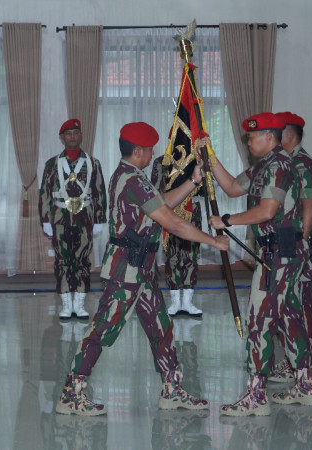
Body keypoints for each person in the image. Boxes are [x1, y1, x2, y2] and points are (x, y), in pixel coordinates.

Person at [55, 122, 230, 416]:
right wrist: (212, 240)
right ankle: (71, 393)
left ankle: (172, 390)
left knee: (161, 329)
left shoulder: (133, 176)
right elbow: (171, 222)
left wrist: (193, 182)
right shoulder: (132, 180)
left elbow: (162, 205)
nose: (152, 155)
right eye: (149, 150)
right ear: (138, 151)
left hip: (143, 269)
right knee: (102, 329)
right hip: (127, 269)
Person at [208, 112, 312, 416]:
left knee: (259, 320)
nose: (248, 141)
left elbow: (268, 210)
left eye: (252, 136)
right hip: (276, 254)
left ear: (269, 137)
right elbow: (231, 187)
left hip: (281, 255)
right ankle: (306, 386)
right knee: (289, 319)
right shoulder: (262, 166)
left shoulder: (280, 166)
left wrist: (226, 220)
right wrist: (210, 156)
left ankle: (256, 396)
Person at [268, 112, 312, 383]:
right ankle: (293, 363)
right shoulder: (283, 163)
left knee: (301, 304)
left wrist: (299, 241)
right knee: (288, 304)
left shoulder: (302, 164)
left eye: (278, 134)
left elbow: (310, 206)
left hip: (300, 244)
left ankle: (303, 367)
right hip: (288, 243)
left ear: (288, 136)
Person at [39, 119, 107, 320]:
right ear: (62, 137)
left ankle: (80, 303)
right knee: (62, 261)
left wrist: (99, 218)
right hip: (60, 218)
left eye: (76, 133)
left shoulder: (93, 163)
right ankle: (66, 304)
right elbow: (44, 193)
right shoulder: (52, 164)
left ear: (81, 135)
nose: (72, 137)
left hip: (84, 218)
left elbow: (99, 191)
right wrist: (45, 220)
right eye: (68, 133)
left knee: (82, 260)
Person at [150, 156, 203, 317]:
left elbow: (206, 188)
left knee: (191, 256)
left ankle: (187, 302)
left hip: (192, 210)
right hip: (169, 210)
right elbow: (155, 190)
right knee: (171, 255)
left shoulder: (197, 160)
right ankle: (175, 301)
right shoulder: (162, 161)